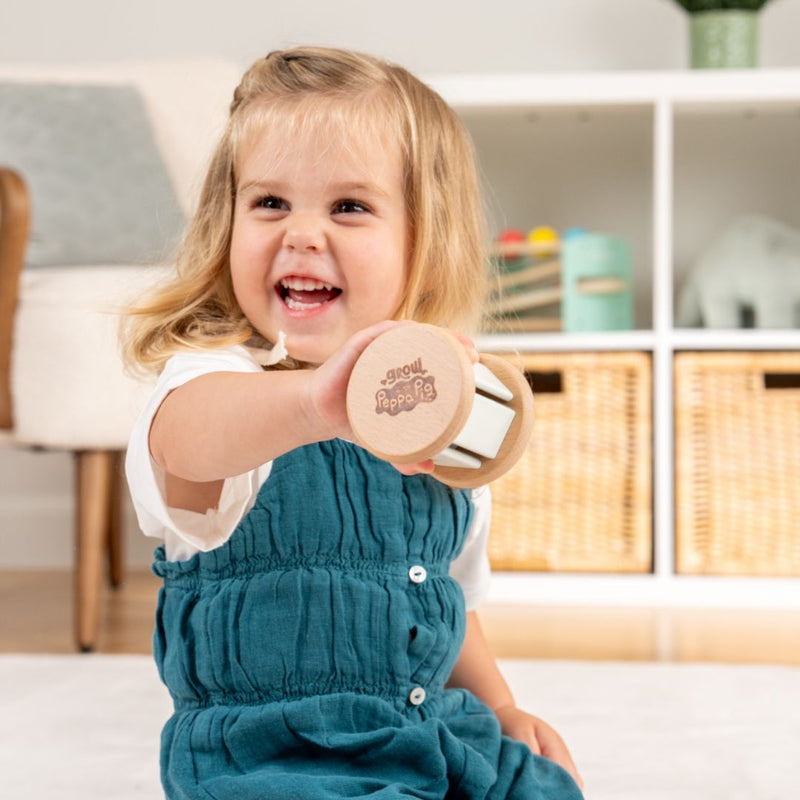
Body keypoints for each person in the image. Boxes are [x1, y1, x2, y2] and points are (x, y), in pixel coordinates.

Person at [123, 46, 584, 799]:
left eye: (349, 207)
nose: (302, 233)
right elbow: (184, 443)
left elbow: (448, 595)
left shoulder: (439, 417)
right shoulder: (217, 382)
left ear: (422, 242)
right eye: (270, 203)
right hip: (271, 758)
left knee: (545, 786)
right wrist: (315, 405)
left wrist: (500, 706)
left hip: (425, 734)